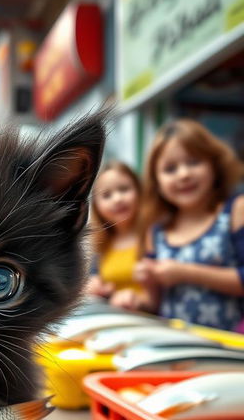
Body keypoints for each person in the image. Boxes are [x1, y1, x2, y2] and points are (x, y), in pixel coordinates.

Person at [134, 118, 244, 330]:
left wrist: (184, 272)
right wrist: (142, 289)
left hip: (231, 351)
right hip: (176, 351)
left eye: (194, 162)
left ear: (215, 164)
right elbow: (154, 304)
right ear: (156, 182)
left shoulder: (236, 210)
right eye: (170, 169)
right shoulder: (155, 231)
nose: (184, 174)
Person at [85, 160, 144, 308]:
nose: (117, 199)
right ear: (96, 206)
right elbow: (93, 282)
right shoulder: (100, 245)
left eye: (124, 189)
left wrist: (138, 300)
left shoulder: (154, 235)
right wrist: (94, 286)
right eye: (106, 195)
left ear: (139, 190)